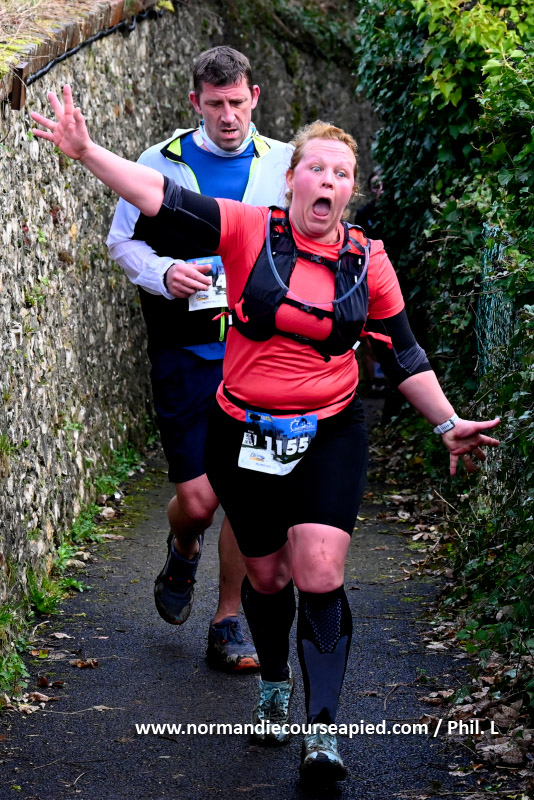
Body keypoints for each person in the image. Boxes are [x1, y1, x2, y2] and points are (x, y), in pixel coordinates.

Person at [32, 87, 501, 784]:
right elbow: (164, 198)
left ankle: (322, 732)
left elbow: (404, 352)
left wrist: (448, 422)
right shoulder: (250, 229)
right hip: (244, 431)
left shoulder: (367, 260)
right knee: (268, 575)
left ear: (351, 191)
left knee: (320, 569)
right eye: (317, 168)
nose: (329, 181)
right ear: (292, 179)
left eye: (342, 173)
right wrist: (87, 151)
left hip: (331, 430)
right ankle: (275, 685)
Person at [106, 47, 292, 673]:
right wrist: (163, 272)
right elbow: (121, 240)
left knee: (246, 492)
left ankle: (228, 619)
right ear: (196, 103)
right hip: (184, 353)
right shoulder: (158, 162)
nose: (228, 116)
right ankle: (183, 546)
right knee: (200, 501)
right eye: (216, 104)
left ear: (254, 97)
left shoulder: (285, 164)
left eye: (237, 102)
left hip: (258, 354)